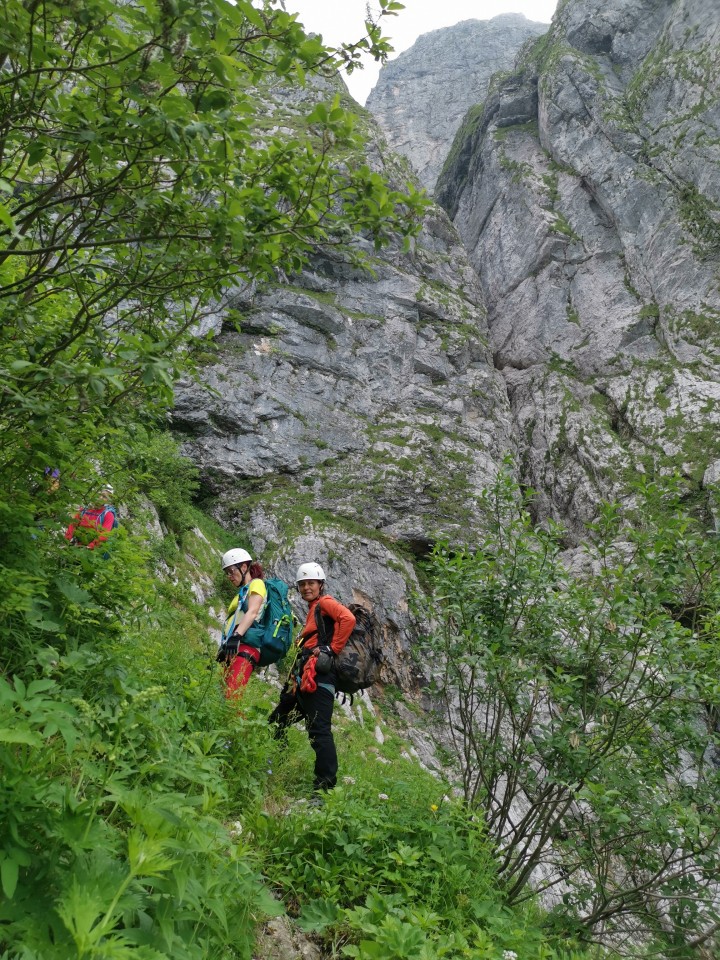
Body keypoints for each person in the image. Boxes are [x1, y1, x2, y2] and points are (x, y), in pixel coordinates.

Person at [269, 562, 356, 795]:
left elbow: (348, 619)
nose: (306, 587)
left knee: (319, 731)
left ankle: (324, 788)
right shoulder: (313, 609)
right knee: (278, 719)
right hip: (305, 678)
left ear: (320, 584)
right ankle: (275, 765)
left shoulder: (325, 603)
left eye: (311, 583)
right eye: (302, 584)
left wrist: (331, 649)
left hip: (318, 677)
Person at [218, 548, 267, 699]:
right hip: (232, 647)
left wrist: (236, 636)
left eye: (231, 571)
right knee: (219, 696)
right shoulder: (242, 592)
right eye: (227, 573)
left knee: (232, 696)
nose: (229, 576)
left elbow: (252, 611)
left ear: (244, 567)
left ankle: (234, 723)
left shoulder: (257, 584)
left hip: (246, 647)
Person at [64, 483, 117, 550]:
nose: (100, 498)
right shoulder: (84, 510)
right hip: (76, 544)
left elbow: (104, 535)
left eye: (104, 497)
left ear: (108, 500)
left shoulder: (108, 515)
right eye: (99, 495)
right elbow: (73, 525)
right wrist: (66, 540)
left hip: (92, 549)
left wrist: (90, 547)